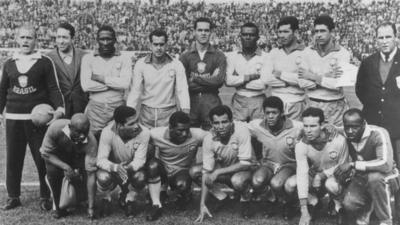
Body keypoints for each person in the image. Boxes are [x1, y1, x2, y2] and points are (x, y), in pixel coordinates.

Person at [0, 24, 65, 211]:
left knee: (42, 157)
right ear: (17, 39)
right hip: (13, 118)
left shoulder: (44, 62)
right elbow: (3, 90)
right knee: (13, 159)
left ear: (36, 40)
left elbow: (53, 88)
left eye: (29, 38)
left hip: (37, 120)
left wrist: (59, 108)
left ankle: (46, 196)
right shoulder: (9, 63)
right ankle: (13, 196)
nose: (25, 41)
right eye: (22, 38)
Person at [335, 108, 400, 225]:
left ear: (364, 124)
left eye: (355, 127)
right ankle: (369, 207)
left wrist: (353, 164)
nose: (350, 131)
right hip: (362, 177)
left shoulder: (378, 133)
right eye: (347, 127)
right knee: (349, 204)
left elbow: (386, 164)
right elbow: (333, 129)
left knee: (375, 178)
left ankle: (386, 220)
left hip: (387, 176)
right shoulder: (346, 131)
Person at [286, 107, 349, 225]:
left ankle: (338, 206)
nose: (308, 130)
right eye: (306, 126)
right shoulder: (301, 145)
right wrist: (304, 210)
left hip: (334, 177)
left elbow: (343, 165)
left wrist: (321, 175)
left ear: (322, 125)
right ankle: (313, 202)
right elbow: (302, 174)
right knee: (290, 184)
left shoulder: (338, 140)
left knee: (331, 185)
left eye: (313, 126)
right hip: (314, 178)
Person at [192, 105, 256, 222]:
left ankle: (246, 199)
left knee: (237, 181)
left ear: (231, 121)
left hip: (244, 170)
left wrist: (218, 172)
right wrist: (202, 204)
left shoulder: (241, 130)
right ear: (211, 124)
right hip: (225, 168)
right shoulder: (209, 138)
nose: (221, 126)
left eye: (224, 122)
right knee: (195, 172)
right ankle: (222, 197)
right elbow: (206, 172)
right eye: (216, 123)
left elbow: (245, 163)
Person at [247, 96, 303, 219]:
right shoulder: (257, 126)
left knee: (276, 183)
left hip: (288, 164)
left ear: (282, 113)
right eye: (267, 113)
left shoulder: (297, 127)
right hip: (268, 164)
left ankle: (289, 203)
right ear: (263, 113)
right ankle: (271, 199)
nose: (270, 116)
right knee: (257, 181)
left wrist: (329, 129)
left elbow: (315, 128)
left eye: (274, 113)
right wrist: (258, 156)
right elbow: (238, 128)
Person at [355, 21, 400, 172]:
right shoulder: (368, 62)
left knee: (398, 166)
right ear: (376, 39)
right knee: (376, 167)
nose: (385, 41)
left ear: (396, 37)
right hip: (374, 123)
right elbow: (360, 89)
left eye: (388, 36)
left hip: (398, 126)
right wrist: (376, 106)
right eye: (381, 38)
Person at [145, 111, 206, 221]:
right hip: (163, 170)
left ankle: (184, 194)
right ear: (170, 128)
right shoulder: (156, 134)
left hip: (182, 172)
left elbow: (214, 139)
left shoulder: (198, 134)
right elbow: (139, 135)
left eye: (187, 130)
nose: (184, 134)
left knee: (182, 184)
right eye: (180, 130)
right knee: (152, 165)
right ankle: (156, 204)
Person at [127, 29, 190, 128]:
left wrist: (185, 110)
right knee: (146, 141)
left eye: (161, 44)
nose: (159, 48)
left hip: (168, 112)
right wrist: (129, 111)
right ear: (150, 45)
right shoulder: (141, 64)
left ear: (166, 45)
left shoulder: (176, 64)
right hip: (146, 113)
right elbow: (135, 90)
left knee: (166, 142)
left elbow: (182, 89)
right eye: (155, 44)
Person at [40, 113, 97, 219]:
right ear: (70, 127)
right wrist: (65, 167)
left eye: (85, 132)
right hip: (58, 159)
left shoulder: (91, 141)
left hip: (77, 161)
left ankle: (83, 198)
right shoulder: (56, 128)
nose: (82, 136)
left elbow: (91, 174)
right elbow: (45, 153)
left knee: (86, 176)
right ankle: (58, 206)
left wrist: (91, 207)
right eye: (78, 132)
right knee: (52, 170)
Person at [96, 106, 150, 217]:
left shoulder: (144, 132)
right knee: (102, 176)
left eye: (137, 121)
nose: (136, 126)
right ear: (119, 125)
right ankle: (106, 199)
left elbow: (140, 160)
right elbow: (101, 160)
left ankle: (129, 200)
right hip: (114, 170)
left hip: (131, 169)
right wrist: (116, 167)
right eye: (131, 124)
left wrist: (127, 168)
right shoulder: (107, 132)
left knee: (140, 176)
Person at [80, 25, 132, 139]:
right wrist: (114, 84)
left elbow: (125, 83)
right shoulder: (88, 58)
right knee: (92, 141)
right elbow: (85, 86)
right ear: (97, 40)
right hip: (95, 109)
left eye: (109, 39)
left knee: (115, 141)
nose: (105, 42)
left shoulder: (124, 58)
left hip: (117, 107)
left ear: (114, 40)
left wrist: (101, 78)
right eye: (102, 39)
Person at [300, 15, 351, 126]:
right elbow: (302, 82)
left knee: (335, 140)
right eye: (316, 31)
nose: (318, 35)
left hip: (335, 106)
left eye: (322, 31)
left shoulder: (343, 53)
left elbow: (337, 85)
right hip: (312, 103)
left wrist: (312, 76)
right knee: (313, 139)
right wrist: (327, 76)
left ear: (332, 32)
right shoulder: (306, 52)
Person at [179, 17, 227, 130]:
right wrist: (210, 80)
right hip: (190, 104)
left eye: (206, 30)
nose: (203, 33)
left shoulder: (219, 55)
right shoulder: (185, 56)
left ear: (211, 32)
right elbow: (183, 84)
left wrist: (195, 78)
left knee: (213, 140)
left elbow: (219, 81)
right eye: (200, 30)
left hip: (211, 103)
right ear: (194, 32)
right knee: (190, 142)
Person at [269, 16, 315, 120]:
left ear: (296, 32)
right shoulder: (274, 52)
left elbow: (308, 81)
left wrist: (281, 74)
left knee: (295, 135)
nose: (281, 35)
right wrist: (290, 81)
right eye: (279, 32)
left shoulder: (306, 53)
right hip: (275, 103)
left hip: (297, 103)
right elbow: (266, 78)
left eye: (286, 32)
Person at [225, 22, 270, 122]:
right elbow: (228, 81)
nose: (248, 37)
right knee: (239, 131)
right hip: (239, 100)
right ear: (240, 36)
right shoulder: (232, 56)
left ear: (257, 37)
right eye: (245, 34)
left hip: (258, 100)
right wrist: (248, 77)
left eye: (252, 35)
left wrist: (239, 82)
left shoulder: (266, 57)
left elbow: (263, 84)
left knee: (258, 131)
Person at [47, 22, 88, 119]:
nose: (61, 41)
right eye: (58, 37)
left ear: (72, 39)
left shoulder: (84, 56)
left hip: (81, 108)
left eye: (65, 37)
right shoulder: (48, 58)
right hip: (59, 108)